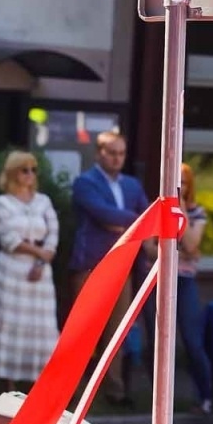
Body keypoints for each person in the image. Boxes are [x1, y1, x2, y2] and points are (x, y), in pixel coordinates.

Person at [69, 130, 149, 406]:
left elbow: (140, 216)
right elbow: (103, 213)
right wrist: (135, 221)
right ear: (98, 153)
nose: (117, 158)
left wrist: (123, 222)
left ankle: (115, 391)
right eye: (112, 153)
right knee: (83, 331)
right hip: (91, 265)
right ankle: (73, 391)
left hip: (122, 267)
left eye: (121, 153)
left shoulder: (132, 185)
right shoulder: (85, 182)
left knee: (117, 332)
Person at [0, 152, 60, 388]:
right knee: (9, 323)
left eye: (33, 170)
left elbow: (53, 232)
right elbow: (7, 238)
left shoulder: (43, 201)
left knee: (41, 325)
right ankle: (8, 382)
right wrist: (38, 253)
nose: (30, 175)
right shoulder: (2, 203)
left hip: (40, 271)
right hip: (12, 268)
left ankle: (39, 381)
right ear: (13, 173)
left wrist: (42, 260)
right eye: (25, 170)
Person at [142, 163, 213, 414]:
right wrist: (181, 252)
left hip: (184, 281)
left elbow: (192, 245)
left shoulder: (197, 212)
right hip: (158, 280)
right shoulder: (157, 209)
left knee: (192, 340)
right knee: (156, 340)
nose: (178, 186)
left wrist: (181, 209)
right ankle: (159, 400)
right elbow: (149, 249)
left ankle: (205, 397)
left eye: (183, 182)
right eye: (174, 180)